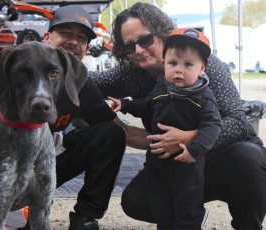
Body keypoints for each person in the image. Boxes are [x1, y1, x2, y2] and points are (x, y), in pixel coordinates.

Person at [0, 5, 126, 230]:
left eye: (81, 38)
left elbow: (115, 128)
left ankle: (84, 218)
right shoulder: (11, 64)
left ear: (86, 48)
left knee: (112, 134)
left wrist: (165, 137)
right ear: (47, 37)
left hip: (44, 154)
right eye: (66, 33)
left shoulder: (79, 84)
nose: (73, 42)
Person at [88, 2, 266, 230]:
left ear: (162, 33)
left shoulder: (202, 66)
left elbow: (239, 123)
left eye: (145, 40)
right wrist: (58, 54)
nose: (139, 51)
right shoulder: (132, 74)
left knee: (249, 158)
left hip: (223, 158)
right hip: (178, 167)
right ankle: (189, 215)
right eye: (129, 46)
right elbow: (87, 81)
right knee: (135, 201)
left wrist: (189, 137)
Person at [109, 28, 221, 229]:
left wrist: (195, 150)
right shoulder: (162, 87)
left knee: (187, 210)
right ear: (164, 62)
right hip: (157, 165)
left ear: (202, 68)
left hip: (186, 166)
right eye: (173, 63)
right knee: (162, 209)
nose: (179, 70)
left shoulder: (203, 97)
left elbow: (212, 127)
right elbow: (146, 104)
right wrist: (124, 104)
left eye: (188, 64)